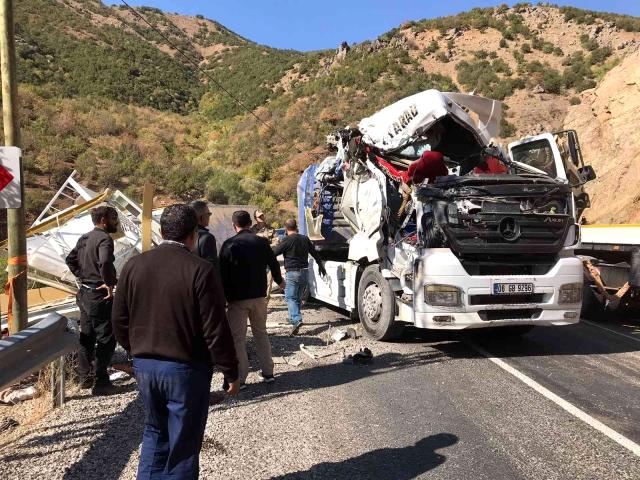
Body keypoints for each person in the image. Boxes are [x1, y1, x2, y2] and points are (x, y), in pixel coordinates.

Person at [112, 204, 239, 480]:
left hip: (145, 367)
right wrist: (230, 370)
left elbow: (119, 319)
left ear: (161, 231)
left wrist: (136, 353)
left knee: (155, 434)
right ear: (194, 234)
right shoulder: (201, 270)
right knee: (183, 442)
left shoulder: (134, 266)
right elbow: (215, 329)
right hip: (185, 370)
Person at [219, 210, 284, 386]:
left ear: (234, 226)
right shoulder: (261, 242)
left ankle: (241, 378)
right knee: (261, 334)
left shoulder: (229, 244)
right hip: (259, 297)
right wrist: (279, 281)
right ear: (250, 223)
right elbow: (273, 263)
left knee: (238, 339)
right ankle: (268, 373)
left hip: (237, 300)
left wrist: (223, 297)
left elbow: (222, 274)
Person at [65, 205, 119, 395]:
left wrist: (83, 277)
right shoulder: (104, 238)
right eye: (114, 218)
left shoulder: (85, 237)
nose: (117, 222)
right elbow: (105, 262)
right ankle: (101, 382)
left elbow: (70, 259)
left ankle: (84, 379)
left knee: (87, 337)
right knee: (107, 338)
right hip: (99, 295)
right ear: (103, 220)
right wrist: (108, 282)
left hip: (85, 294)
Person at [273, 218, 327, 335]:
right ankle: (294, 319)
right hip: (305, 273)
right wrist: (321, 266)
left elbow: (274, 253)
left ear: (286, 229)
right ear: (296, 227)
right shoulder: (305, 239)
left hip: (293, 273)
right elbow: (314, 253)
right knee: (297, 298)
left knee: (290, 297)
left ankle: (296, 320)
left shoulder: (286, 240)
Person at [190, 200, 218, 267]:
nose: (209, 216)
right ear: (201, 217)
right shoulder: (207, 238)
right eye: (208, 214)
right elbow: (211, 267)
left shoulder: (182, 233)